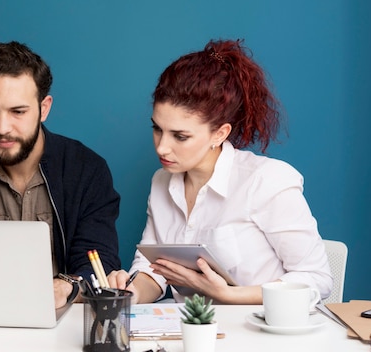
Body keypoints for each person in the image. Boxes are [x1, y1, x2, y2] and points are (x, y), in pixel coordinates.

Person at [107, 39, 333, 305]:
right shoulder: (162, 181)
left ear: (220, 133)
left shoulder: (266, 180)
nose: (162, 148)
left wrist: (227, 294)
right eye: (157, 129)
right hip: (193, 334)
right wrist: (129, 293)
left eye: (180, 136)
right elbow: (151, 271)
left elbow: (317, 278)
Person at [0, 41, 121, 308]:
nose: (2, 127)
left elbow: (99, 260)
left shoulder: (87, 170)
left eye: (17, 112)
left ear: (45, 108)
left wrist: (64, 286)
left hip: (64, 321)